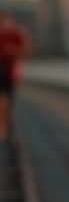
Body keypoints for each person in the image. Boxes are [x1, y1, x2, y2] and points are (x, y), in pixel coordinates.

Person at [0, 10, 29, 142]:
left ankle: (4, 127)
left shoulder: (16, 35)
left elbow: (27, 50)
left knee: (7, 102)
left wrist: (12, 50)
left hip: (10, 73)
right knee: (2, 101)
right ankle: (2, 128)